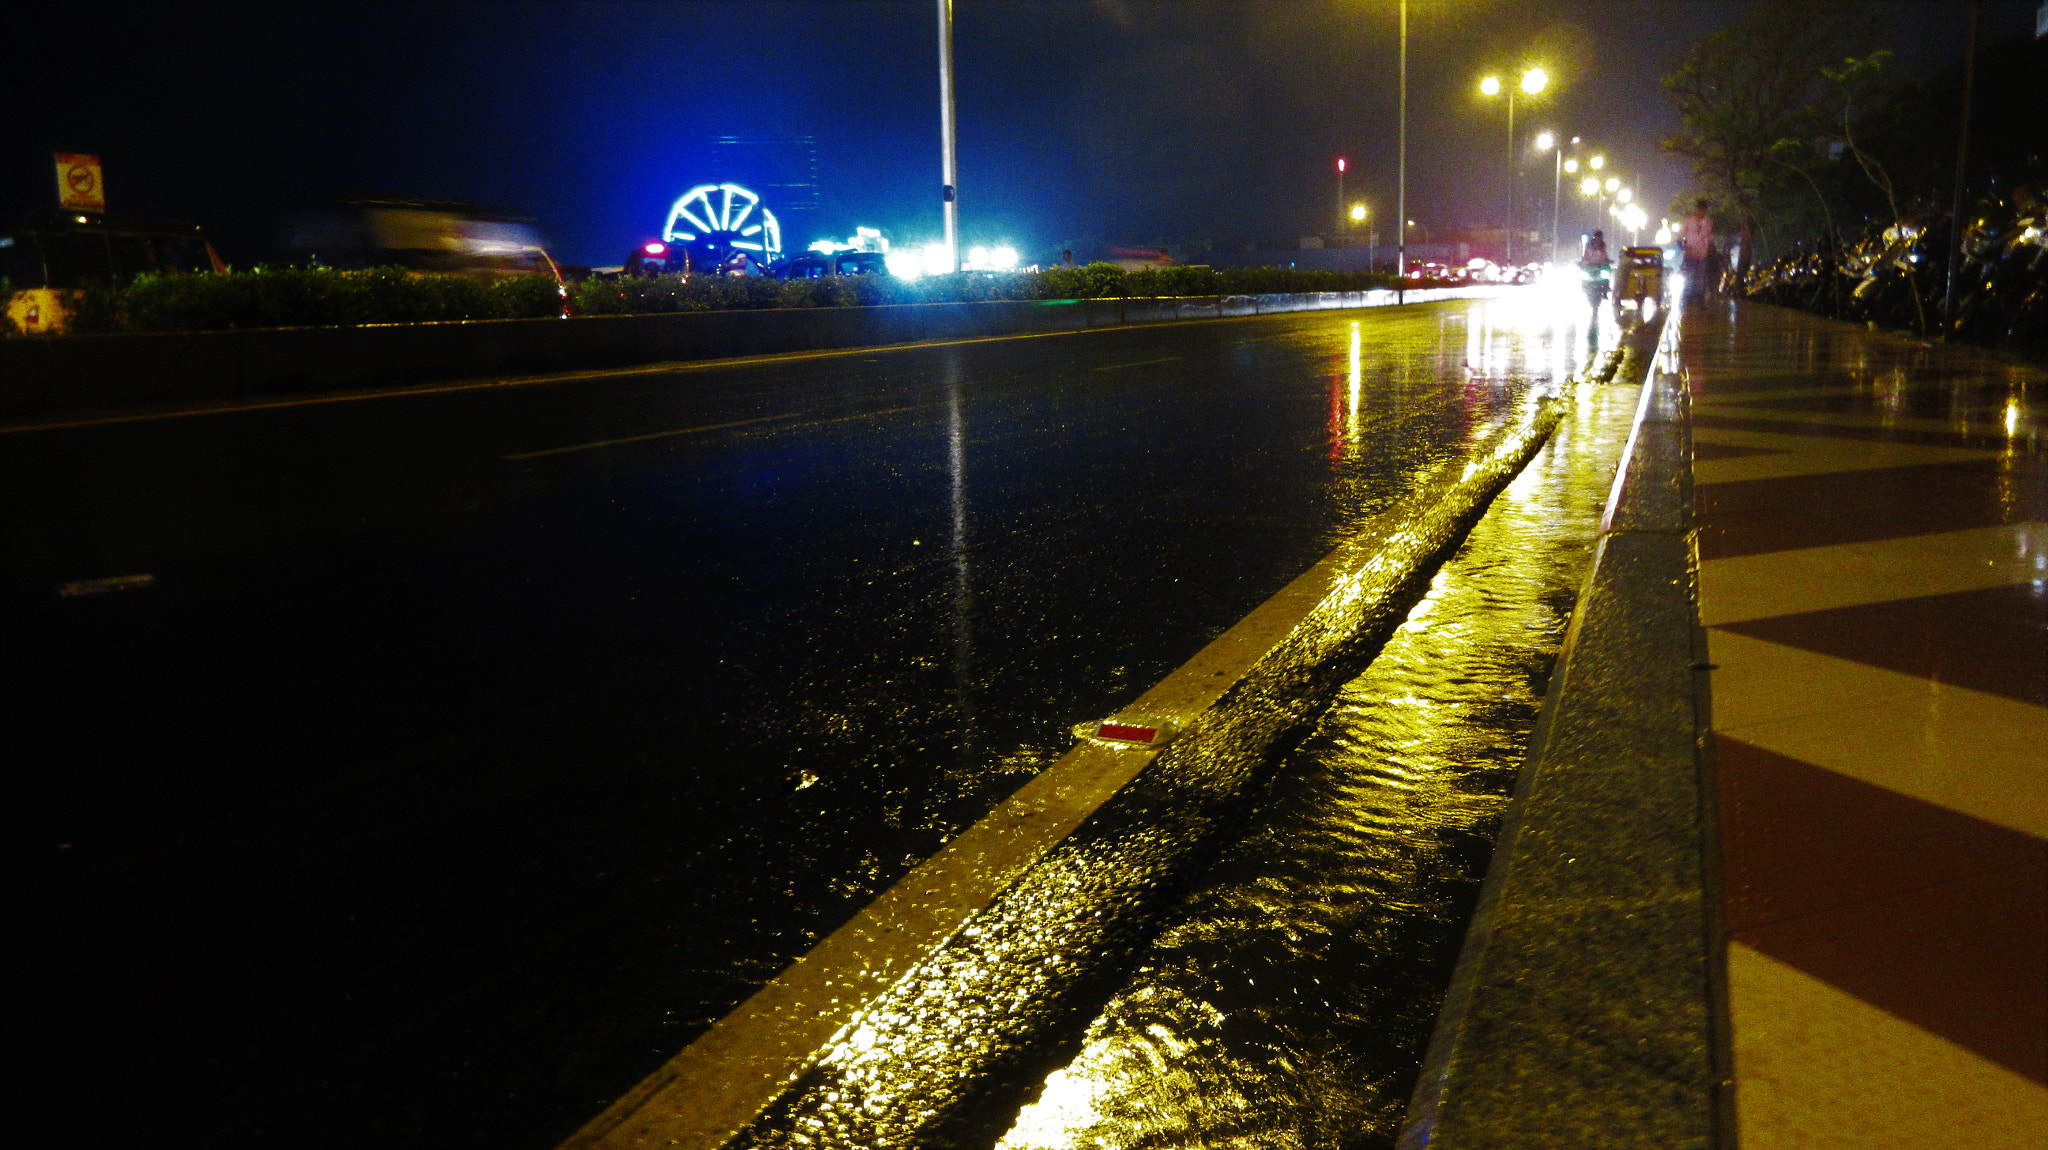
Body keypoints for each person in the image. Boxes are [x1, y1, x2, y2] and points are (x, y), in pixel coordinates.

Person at [1681, 199, 1714, 303]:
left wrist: (1708, 249)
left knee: (1700, 278)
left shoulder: (1708, 223)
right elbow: (1680, 239)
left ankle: (1699, 298)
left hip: (1702, 255)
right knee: (1690, 277)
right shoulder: (1688, 222)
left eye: (1703, 210)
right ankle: (1689, 298)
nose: (1701, 212)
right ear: (1696, 210)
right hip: (1690, 254)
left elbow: (1709, 238)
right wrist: (1685, 249)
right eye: (1699, 210)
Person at [1580, 229, 1612, 311]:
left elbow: (1605, 256)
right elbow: (1585, 256)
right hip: (1590, 266)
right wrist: (1583, 263)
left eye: (1600, 237)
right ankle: (1584, 286)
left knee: (1606, 276)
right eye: (1597, 237)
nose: (1598, 239)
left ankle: (1605, 290)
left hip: (1600, 267)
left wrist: (1607, 261)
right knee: (1583, 275)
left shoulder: (1603, 246)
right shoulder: (1589, 245)